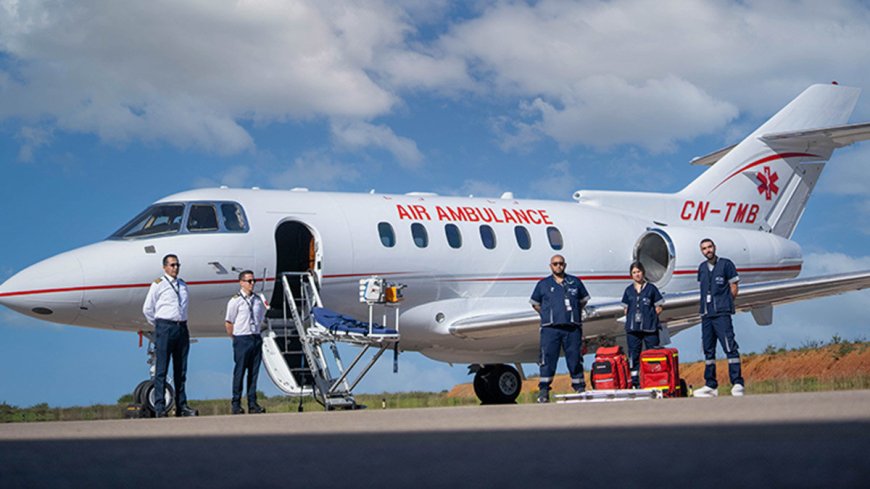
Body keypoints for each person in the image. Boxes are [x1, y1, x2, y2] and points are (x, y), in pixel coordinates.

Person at [142, 254, 198, 417]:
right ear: (164, 267)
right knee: (162, 369)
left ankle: (182, 406)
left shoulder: (183, 285)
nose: (175, 268)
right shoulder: (158, 284)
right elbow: (147, 309)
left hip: (181, 328)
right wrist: (159, 325)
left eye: (177, 265)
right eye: (172, 265)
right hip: (165, 327)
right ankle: (160, 407)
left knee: (181, 370)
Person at [530, 254, 590, 403]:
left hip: (572, 328)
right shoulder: (543, 284)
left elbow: (583, 301)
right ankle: (544, 391)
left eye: (561, 263)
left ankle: (579, 387)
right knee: (548, 359)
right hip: (551, 329)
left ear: (565, 265)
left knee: (575, 357)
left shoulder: (575, 282)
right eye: (555, 264)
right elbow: (535, 304)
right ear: (550, 266)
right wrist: (547, 315)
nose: (558, 266)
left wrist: (573, 313)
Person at [694, 239, 744, 397]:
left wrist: (726, 304)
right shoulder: (701, 268)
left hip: (721, 313)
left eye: (709, 247)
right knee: (708, 350)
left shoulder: (726, 264)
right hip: (706, 314)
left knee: (729, 346)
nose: (707, 250)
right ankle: (710, 384)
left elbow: (734, 287)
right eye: (704, 248)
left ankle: (737, 382)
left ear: (714, 248)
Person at [225, 270, 268, 414]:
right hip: (242, 339)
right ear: (241, 282)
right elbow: (229, 321)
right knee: (240, 371)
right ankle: (236, 403)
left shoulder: (257, 300)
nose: (252, 284)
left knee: (253, 373)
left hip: (255, 337)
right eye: (249, 281)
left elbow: (261, 317)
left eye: (253, 281)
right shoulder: (235, 301)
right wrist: (235, 338)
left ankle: (252, 402)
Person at [621, 261, 665, 388]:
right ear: (631, 275)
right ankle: (635, 382)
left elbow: (659, 306)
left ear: (643, 273)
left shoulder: (651, 288)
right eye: (634, 272)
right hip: (633, 329)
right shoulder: (628, 290)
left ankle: (654, 379)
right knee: (634, 355)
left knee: (652, 354)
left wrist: (651, 317)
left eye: (639, 272)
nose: (637, 274)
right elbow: (625, 308)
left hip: (649, 328)